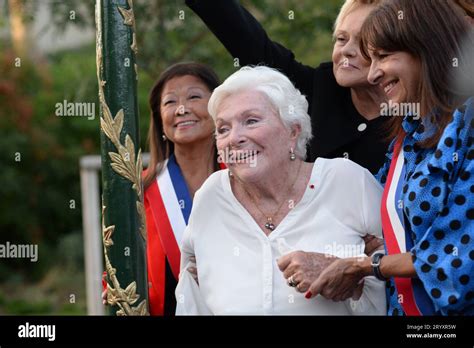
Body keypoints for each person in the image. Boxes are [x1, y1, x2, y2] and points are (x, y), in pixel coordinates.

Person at [306, 0, 473, 315]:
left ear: (426, 49)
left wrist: (368, 265)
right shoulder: (410, 136)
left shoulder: (468, 128)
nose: (372, 74)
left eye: (382, 56)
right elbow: (373, 231)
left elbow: (458, 262)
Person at [175, 66, 387, 315]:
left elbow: (399, 287)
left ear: (292, 130)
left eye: (251, 121)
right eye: (223, 129)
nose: (234, 138)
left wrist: (351, 273)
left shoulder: (348, 181)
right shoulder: (210, 197)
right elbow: (192, 305)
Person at [186, 0, 389, 174]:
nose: (347, 51)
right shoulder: (319, 87)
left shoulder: (416, 113)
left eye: (363, 41)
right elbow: (250, 44)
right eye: (342, 39)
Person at [103, 62, 222, 315]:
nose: (181, 109)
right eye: (170, 102)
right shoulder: (138, 187)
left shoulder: (243, 180)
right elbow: (120, 262)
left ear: (218, 108)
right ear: (160, 120)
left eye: (194, 96)